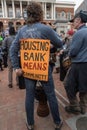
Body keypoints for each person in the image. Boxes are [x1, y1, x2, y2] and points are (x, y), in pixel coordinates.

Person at [10, 2, 63, 130]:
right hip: (43, 69)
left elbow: (13, 49)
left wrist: (17, 67)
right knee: (50, 94)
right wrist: (51, 45)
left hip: (28, 69)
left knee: (29, 95)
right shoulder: (46, 29)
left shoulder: (22, 30)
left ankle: (30, 123)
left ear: (28, 15)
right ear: (40, 14)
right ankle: (57, 122)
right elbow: (60, 43)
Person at [64, 10, 87, 115]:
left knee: (68, 84)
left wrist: (67, 53)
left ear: (79, 20)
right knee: (84, 87)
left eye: (74, 21)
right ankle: (83, 108)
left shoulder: (79, 33)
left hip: (78, 64)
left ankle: (74, 106)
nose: (73, 23)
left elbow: (73, 52)